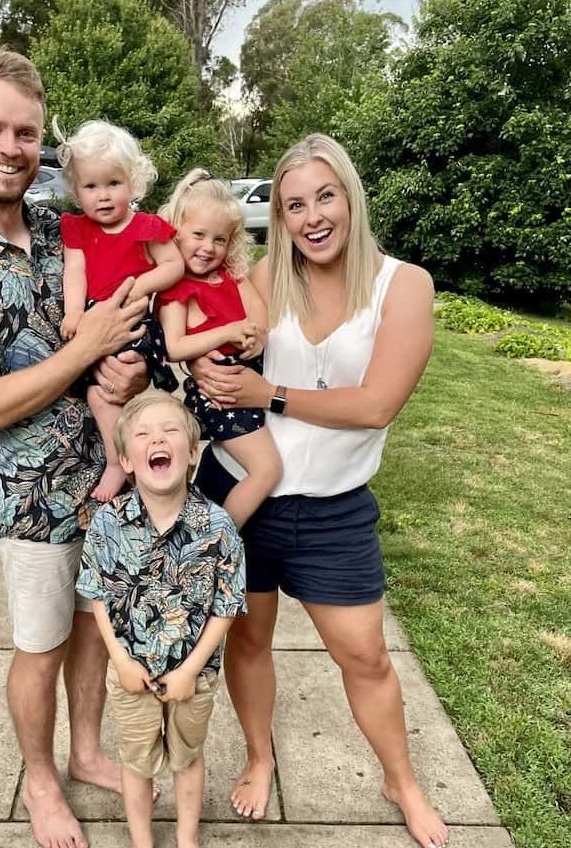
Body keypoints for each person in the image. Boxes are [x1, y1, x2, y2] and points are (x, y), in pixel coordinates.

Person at [0, 50, 151, 848]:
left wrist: (132, 354)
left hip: (101, 480)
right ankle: (41, 780)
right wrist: (89, 351)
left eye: (26, 132)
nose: (10, 147)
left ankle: (84, 753)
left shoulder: (59, 227)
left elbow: (122, 311)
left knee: (89, 625)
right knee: (40, 645)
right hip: (25, 494)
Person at [190, 134, 450, 848]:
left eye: (324, 196)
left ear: (350, 198)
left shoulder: (405, 284)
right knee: (247, 640)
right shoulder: (274, 273)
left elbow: (375, 405)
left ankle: (401, 779)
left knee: (364, 656)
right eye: (293, 204)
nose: (311, 217)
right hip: (240, 491)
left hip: (333, 511)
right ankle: (258, 757)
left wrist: (266, 390)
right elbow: (207, 326)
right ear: (278, 216)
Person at [76, 391, 247, 848]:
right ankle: (141, 840)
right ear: (127, 460)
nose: (158, 439)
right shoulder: (108, 524)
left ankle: (187, 839)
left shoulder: (217, 526)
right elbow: (97, 597)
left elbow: (227, 605)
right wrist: (121, 662)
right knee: (135, 761)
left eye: (171, 431)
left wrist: (191, 669)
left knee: (187, 757)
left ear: (191, 453)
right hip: (131, 672)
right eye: (144, 434)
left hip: (196, 675)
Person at [55, 119, 185, 502]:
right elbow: (75, 273)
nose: (104, 196)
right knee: (98, 396)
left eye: (114, 183)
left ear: (133, 182)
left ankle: (143, 466)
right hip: (94, 318)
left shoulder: (145, 227)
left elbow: (173, 265)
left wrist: (139, 287)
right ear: (77, 192)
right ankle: (119, 461)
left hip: (135, 324)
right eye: (91, 186)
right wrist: (74, 313)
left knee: (134, 397)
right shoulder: (77, 230)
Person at [155, 169, 281, 529]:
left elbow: (258, 312)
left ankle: (200, 528)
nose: (208, 248)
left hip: (247, 382)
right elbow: (176, 346)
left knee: (231, 469)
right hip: (220, 393)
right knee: (267, 469)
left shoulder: (229, 276)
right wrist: (227, 330)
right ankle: (214, 542)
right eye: (198, 235)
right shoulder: (177, 290)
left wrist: (256, 334)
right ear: (176, 231)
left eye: (220, 240)